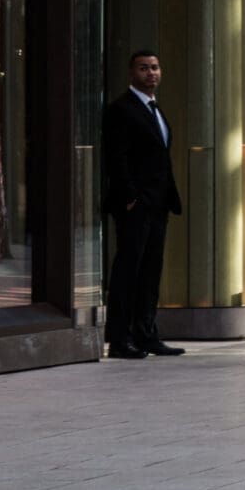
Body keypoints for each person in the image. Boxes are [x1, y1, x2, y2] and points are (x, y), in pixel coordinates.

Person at [101, 50, 185, 359]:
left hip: (158, 204)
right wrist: (130, 197)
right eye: (143, 68)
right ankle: (120, 339)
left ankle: (146, 334)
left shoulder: (154, 109)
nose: (151, 73)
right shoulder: (121, 109)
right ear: (131, 74)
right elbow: (117, 157)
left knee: (151, 270)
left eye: (155, 67)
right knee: (128, 270)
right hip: (135, 205)